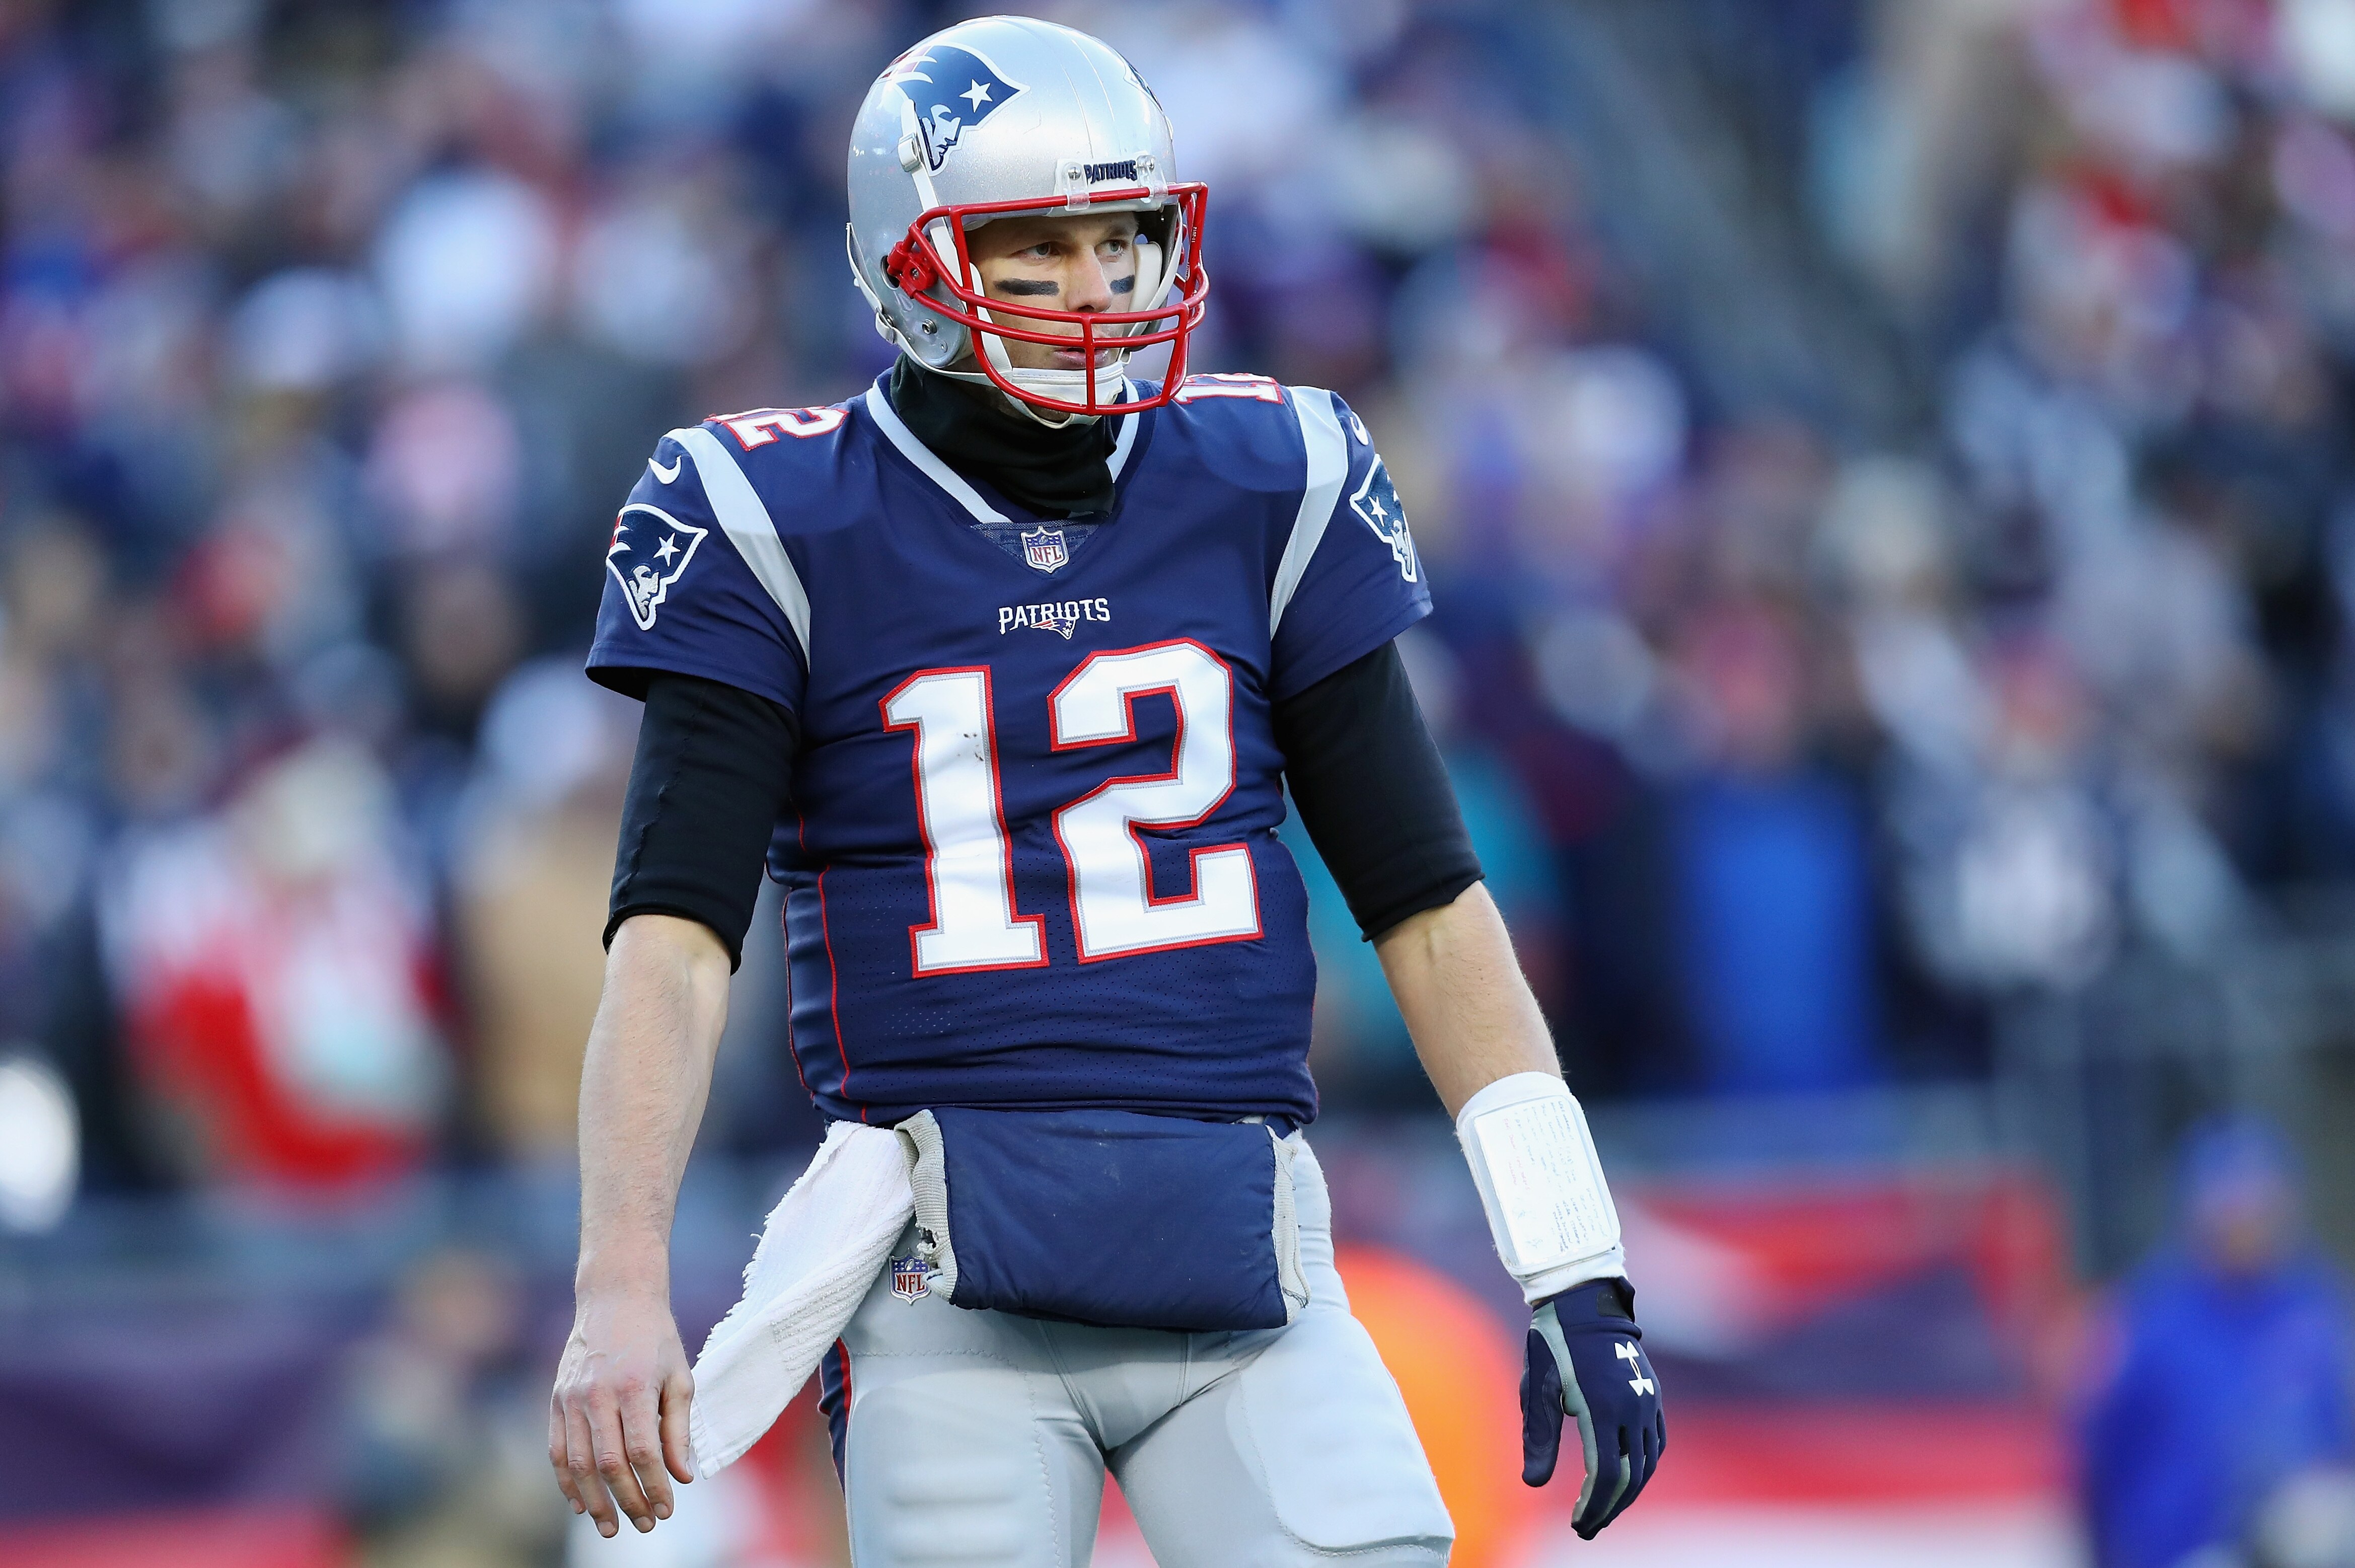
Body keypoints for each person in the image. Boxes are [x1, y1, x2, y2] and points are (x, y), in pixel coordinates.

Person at [546, 18, 1664, 1566]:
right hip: (945, 1277)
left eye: (1120, 236)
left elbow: (1425, 904)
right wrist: (616, 1288)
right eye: (1035, 247)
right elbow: (673, 945)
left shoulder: (1267, 476)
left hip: (1245, 1253)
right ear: (903, 263)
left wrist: (1569, 1257)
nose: (1093, 285)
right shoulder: (768, 514)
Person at [2079, 1118, 2354, 1568]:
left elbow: (2339, 1437)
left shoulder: (2317, 1309)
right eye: (2232, 1208)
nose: (2245, 1226)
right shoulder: (2146, 1317)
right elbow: (2097, 1458)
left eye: (2260, 1208)